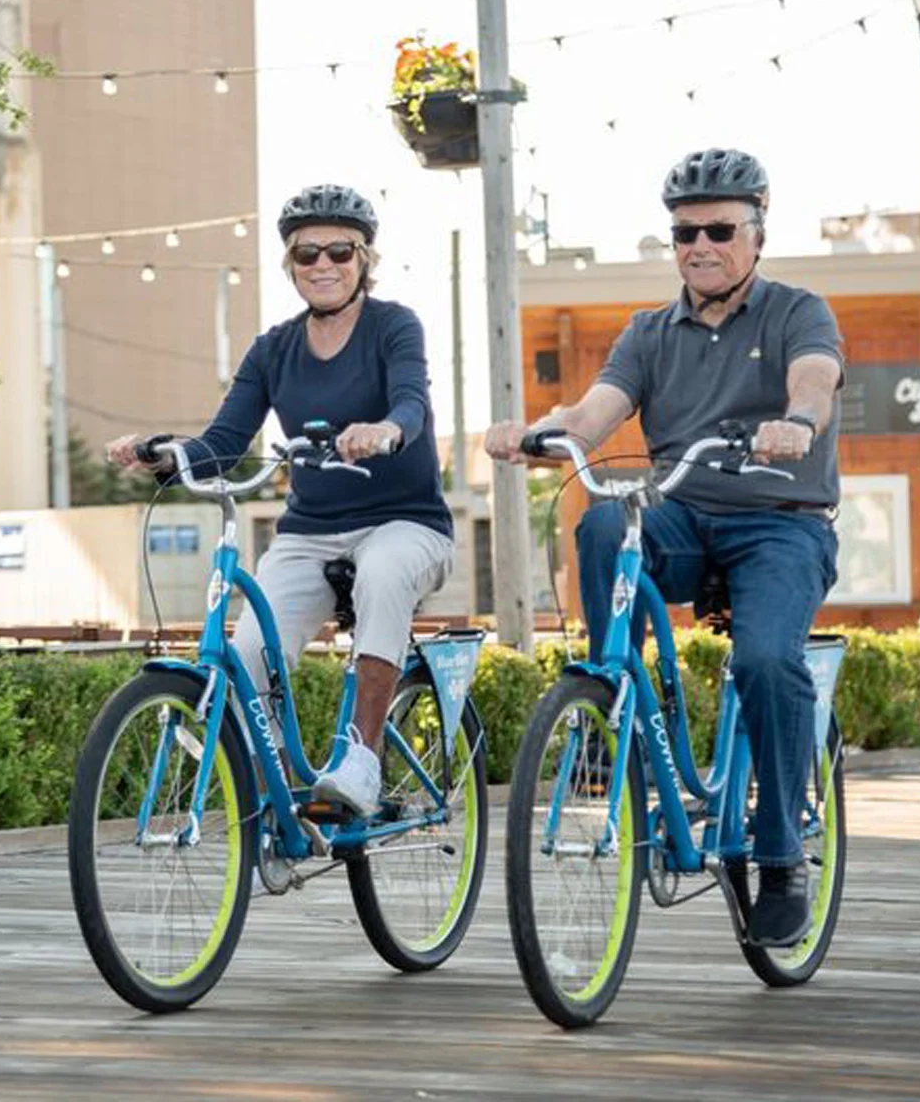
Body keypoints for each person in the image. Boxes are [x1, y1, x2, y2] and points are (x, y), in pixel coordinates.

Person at [483, 147, 844, 947]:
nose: (701, 246)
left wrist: (799, 421)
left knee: (763, 663)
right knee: (606, 520)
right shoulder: (650, 332)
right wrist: (533, 433)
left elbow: (814, 379)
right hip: (680, 514)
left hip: (781, 522)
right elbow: (594, 414)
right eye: (685, 233)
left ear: (756, 232)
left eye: (720, 229)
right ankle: (611, 696)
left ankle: (781, 854)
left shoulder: (797, 312)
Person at [106, 184, 454, 817]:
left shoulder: (394, 326)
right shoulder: (272, 350)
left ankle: (364, 762)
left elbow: (411, 400)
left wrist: (387, 430)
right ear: (290, 265)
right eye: (306, 254)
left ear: (364, 260)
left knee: (380, 575)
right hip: (310, 532)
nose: (322, 265)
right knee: (245, 659)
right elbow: (221, 444)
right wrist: (160, 452)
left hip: (407, 524)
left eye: (340, 252)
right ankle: (273, 813)